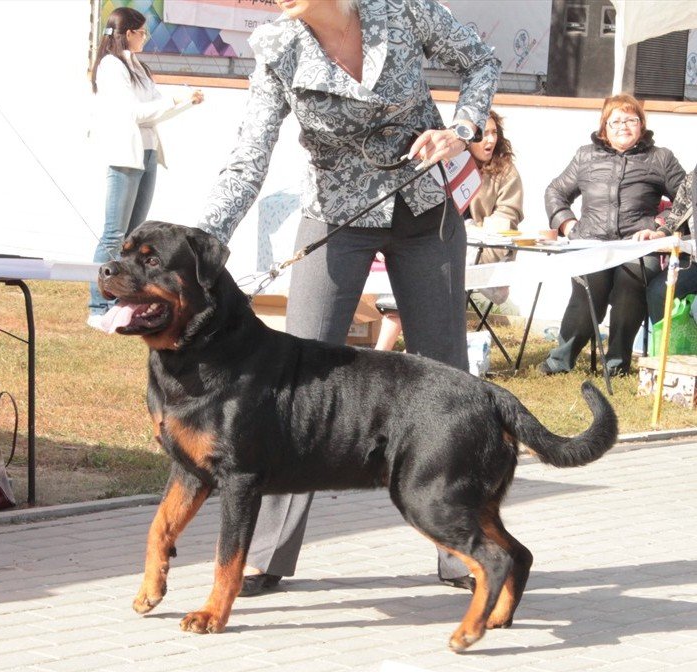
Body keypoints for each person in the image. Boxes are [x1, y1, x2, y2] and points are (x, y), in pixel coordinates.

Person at [197, 0, 500, 595]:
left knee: (445, 380)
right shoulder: (278, 47)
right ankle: (267, 554)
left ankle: (460, 547)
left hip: (425, 210)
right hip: (336, 213)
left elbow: (483, 60)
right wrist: (205, 242)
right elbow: (247, 160)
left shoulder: (404, 11)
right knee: (295, 385)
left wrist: (460, 129)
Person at [539, 93, 684, 376]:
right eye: (616, 121)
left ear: (642, 125)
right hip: (590, 244)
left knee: (630, 286)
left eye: (631, 120)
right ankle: (559, 361)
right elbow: (555, 191)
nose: (623, 126)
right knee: (587, 292)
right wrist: (567, 224)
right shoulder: (585, 156)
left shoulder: (661, 158)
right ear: (604, 127)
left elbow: (686, 201)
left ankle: (616, 364)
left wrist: (659, 228)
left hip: (638, 248)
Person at [88, 7, 203, 326]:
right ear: (128, 33)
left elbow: (153, 112)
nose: (145, 38)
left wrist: (183, 102)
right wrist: (176, 100)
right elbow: (134, 114)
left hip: (148, 152)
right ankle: (98, 306)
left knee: (132, 238)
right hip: (126, 154)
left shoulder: (136, 65)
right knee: (114, 234)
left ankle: (123, 300)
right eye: (142, 32)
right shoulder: (111, 67)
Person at [374, 109, 524, 351]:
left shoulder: (506, 172)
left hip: (483, 253)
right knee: (413, 268)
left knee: (429, 273)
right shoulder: (447, 163)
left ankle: (393, 352)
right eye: (483, 134)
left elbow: (505, 220)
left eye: (494, 133)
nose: (490, 140)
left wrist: (470, 239)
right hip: (438, 245)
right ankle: (387, 352)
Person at [633, 168, 697, 324]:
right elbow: (676, 215)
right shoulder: (693, 177)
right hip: (694, 261)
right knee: (658, 293)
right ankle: (669, 347)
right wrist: (660, 234)